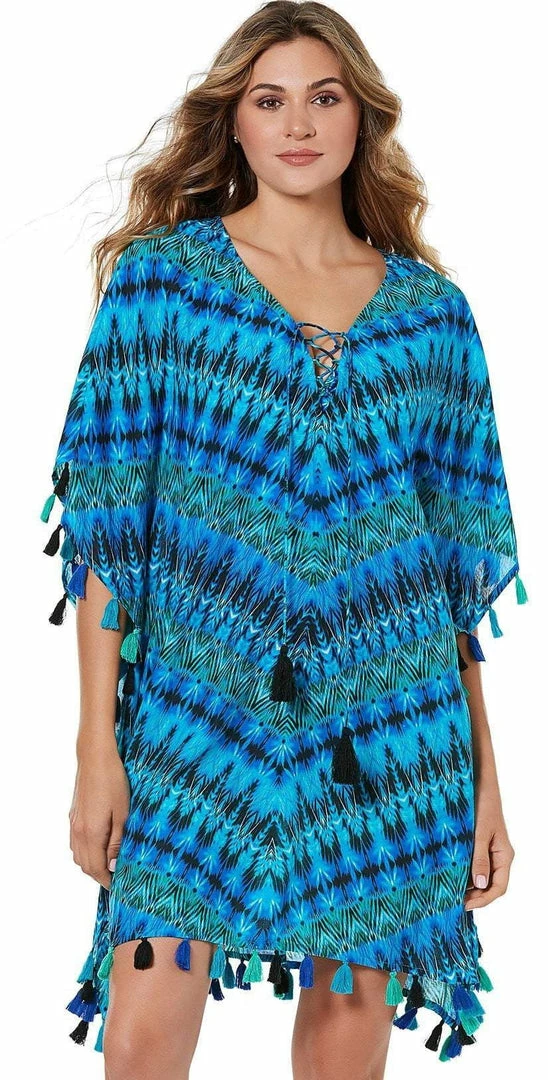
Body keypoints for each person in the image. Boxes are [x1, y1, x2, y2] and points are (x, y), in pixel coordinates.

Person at [40, 3, 528, 1077]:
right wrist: (95, 748)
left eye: (323, 97)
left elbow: (451, 575)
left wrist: (486, 778)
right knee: (142, 1037)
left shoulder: (430, 317)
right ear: (235, 121)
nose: (298, 124)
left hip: (388, 731)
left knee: (348, 1037)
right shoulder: (165, 286)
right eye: (270, 100)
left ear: (362, 117)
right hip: (195, 714)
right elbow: (109, 530)